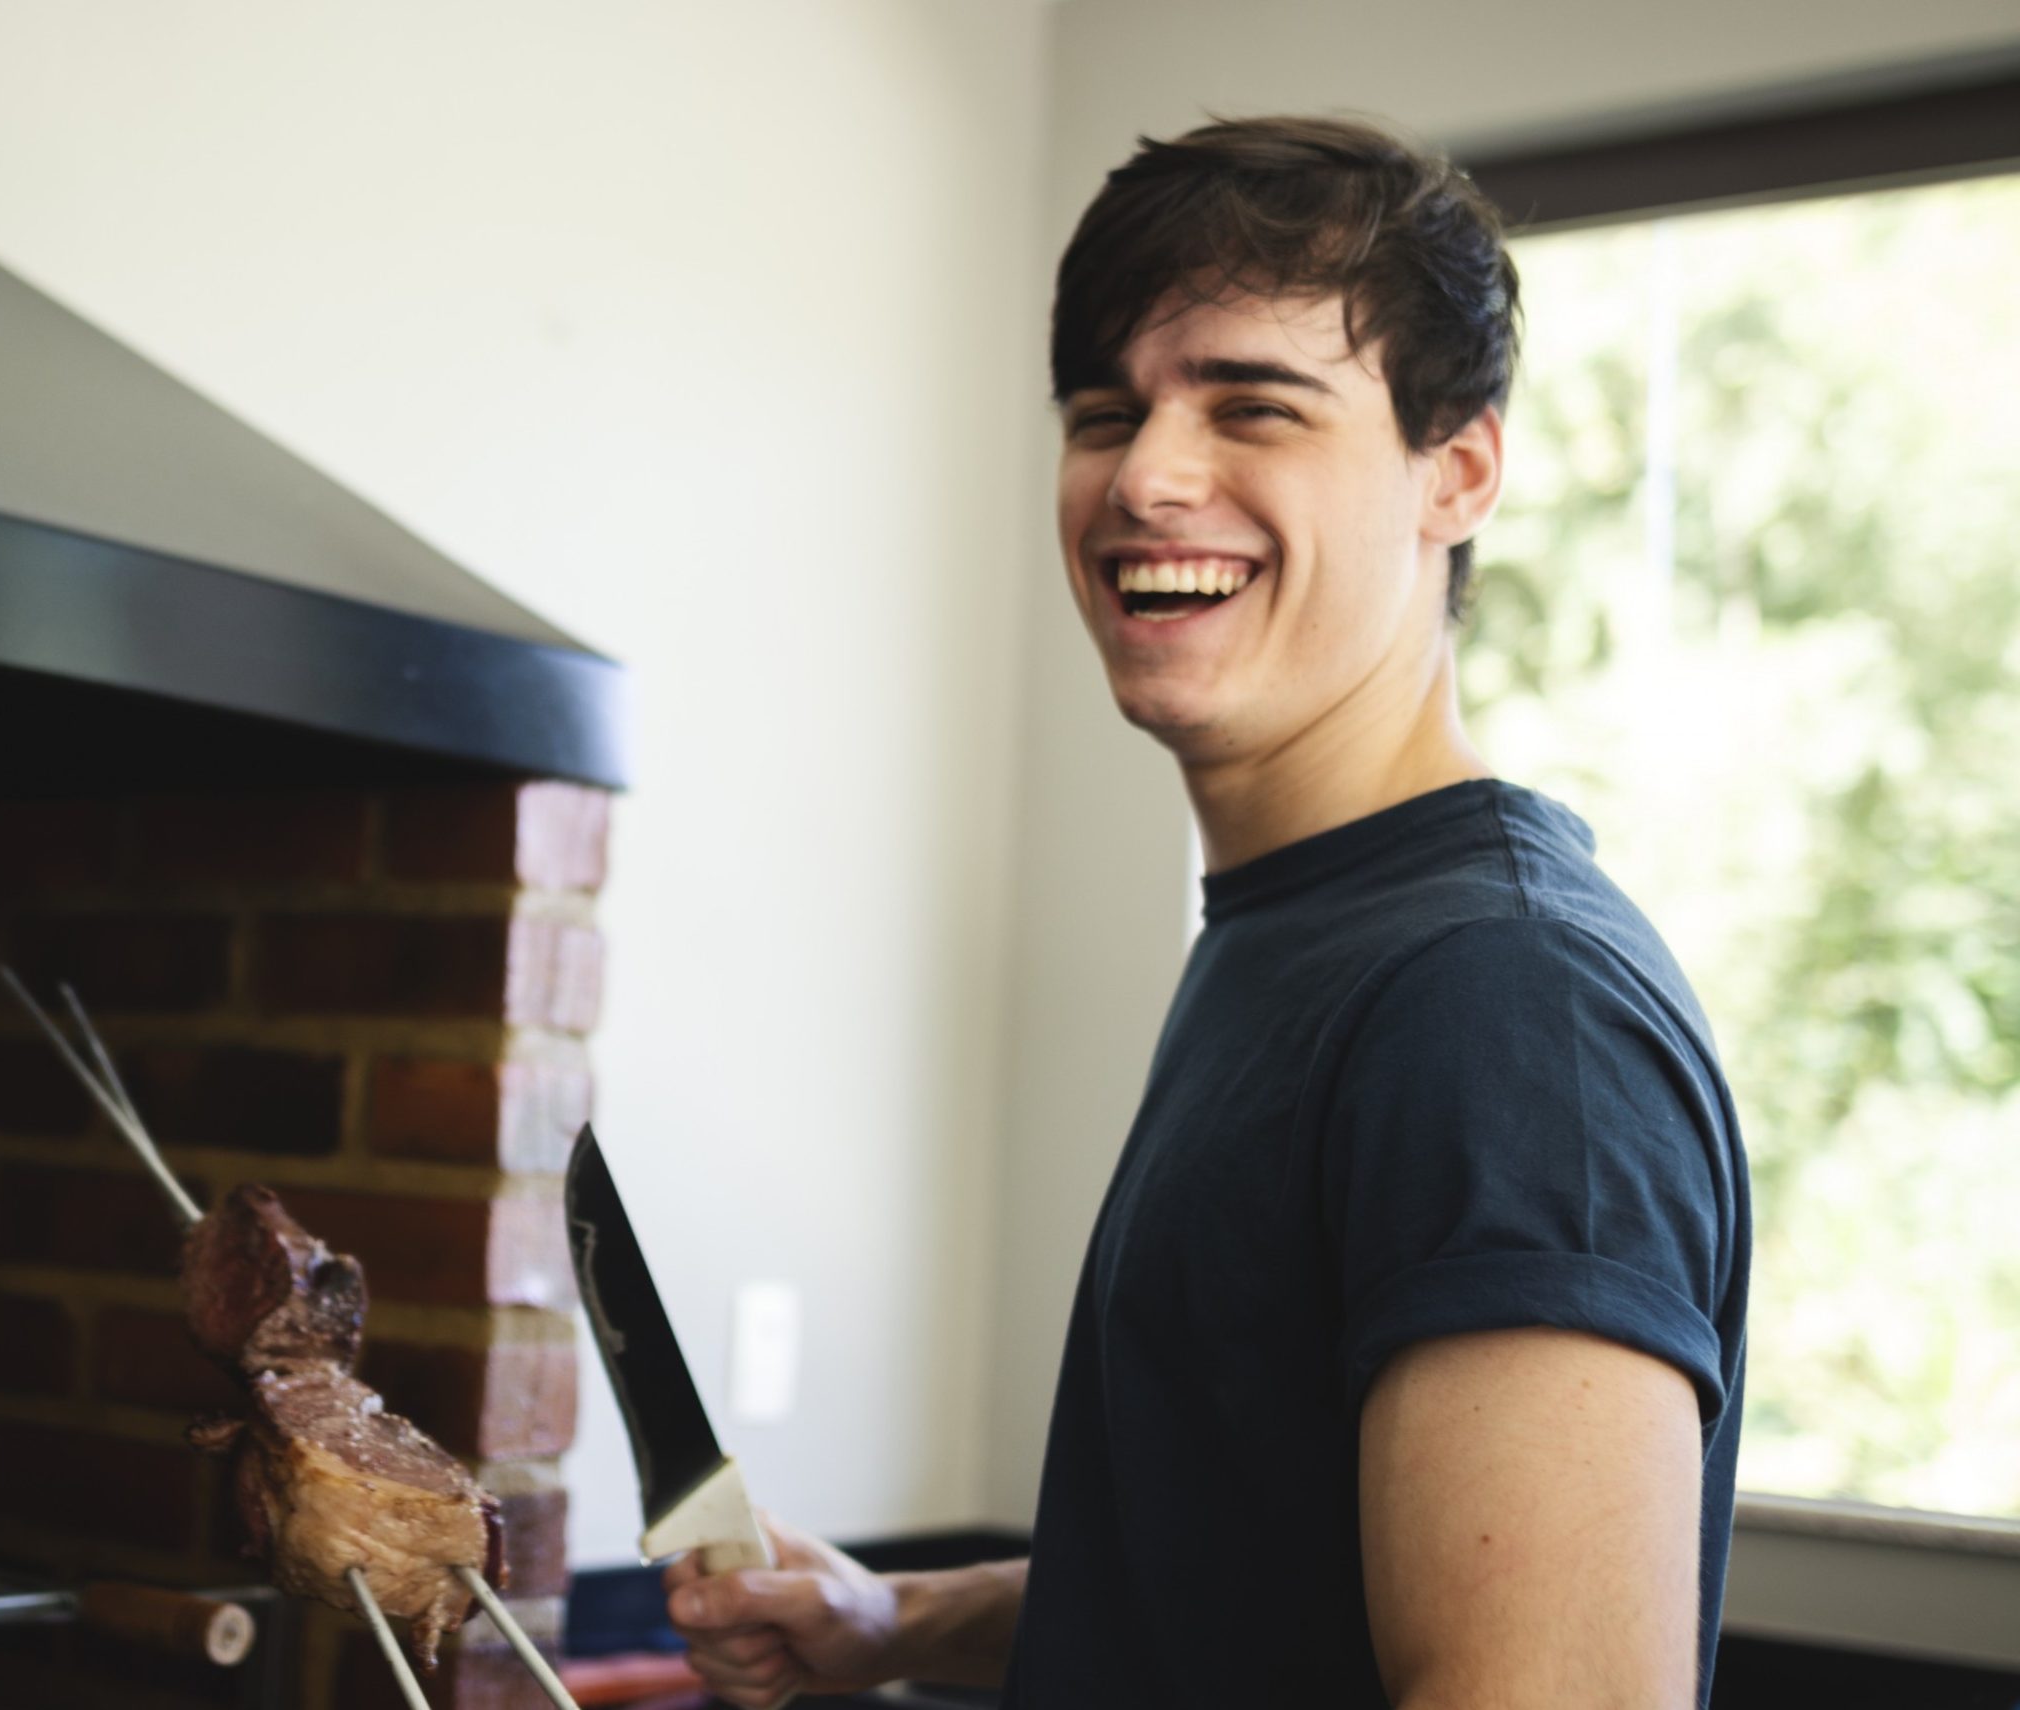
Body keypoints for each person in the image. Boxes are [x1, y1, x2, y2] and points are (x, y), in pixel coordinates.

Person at [665, 116, 1751, 1708]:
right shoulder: (1304, 934)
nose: (1148, 475)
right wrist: (905, 1622)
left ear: (1457, 470)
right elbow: (1251, 1567)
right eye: (1107, 411)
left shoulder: (1505, 1006)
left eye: (1254, 405)